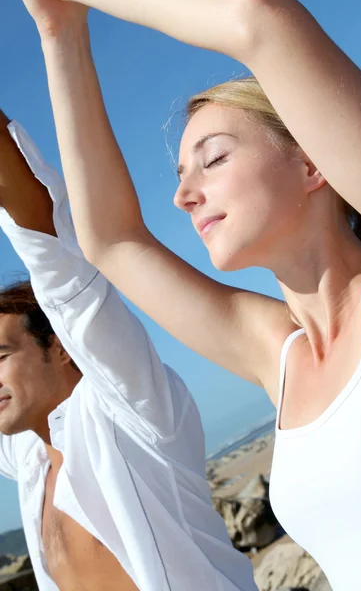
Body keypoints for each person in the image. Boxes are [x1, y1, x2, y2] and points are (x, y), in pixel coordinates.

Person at [18, 0, 361, 589]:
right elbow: (111, 241)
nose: (183, 195)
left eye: (213, 158)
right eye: (180, 175)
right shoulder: (280, 355)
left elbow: (260, 19)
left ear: (312, 164)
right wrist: (58, 29)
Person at [0, 109, 258, 591]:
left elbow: (58, 262)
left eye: (0, 358)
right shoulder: (28, 457)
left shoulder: (127, 412)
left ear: (59, 347)